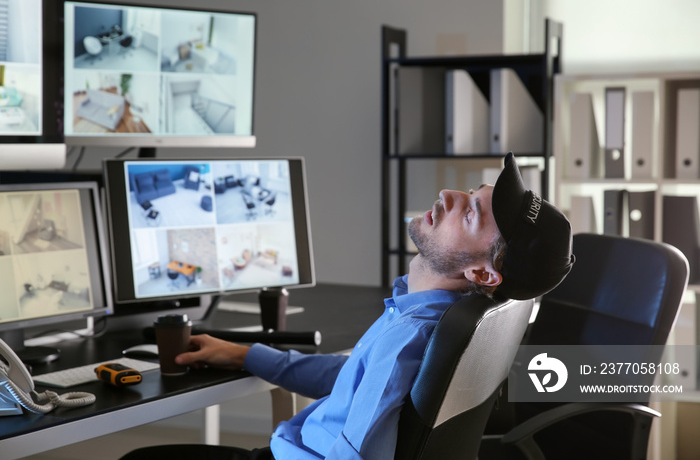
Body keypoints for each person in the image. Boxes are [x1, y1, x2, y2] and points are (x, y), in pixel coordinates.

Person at [121, 152, 574, 460]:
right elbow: (356, 381)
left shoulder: (409, 341)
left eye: (470, 213)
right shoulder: (424, 317)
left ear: (481, 275)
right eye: (473, 192)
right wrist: (246, 354)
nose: (450, 197)